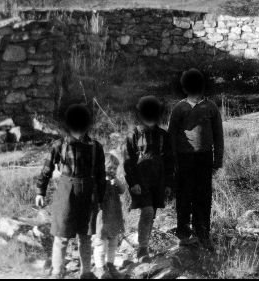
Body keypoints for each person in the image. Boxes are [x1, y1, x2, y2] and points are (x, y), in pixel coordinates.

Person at [35, 104, 106, 279]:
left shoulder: (96, 147)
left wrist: (102, 199)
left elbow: (100, 175)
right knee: (61, 235)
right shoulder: (60, 145)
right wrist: (40, 191)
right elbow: (46, 169)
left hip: (88, 194)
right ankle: (57, 272)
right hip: (66, 193)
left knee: (85, 236)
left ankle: (86, 272)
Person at [168, 68, 224, 249]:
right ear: (184, 88)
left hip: (204, 159)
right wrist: (173, 161)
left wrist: (218, 159)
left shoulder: (211, 107)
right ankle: (184, 235)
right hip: (184, 159)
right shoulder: (179, 108)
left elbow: (218, 135)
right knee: (184, 197)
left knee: (203, 197)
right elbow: (171, 137)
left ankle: (203, 234)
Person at [122, 95, 174, 262]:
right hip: (141, 179)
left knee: (151, 213)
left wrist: (168, 183)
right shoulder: (133, 134)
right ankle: (142, 249)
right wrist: (133, 182)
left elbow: (169, 161)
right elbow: (128, 161)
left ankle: (144, 244)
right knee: (147, 211)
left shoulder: (163, 135)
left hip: (158, 179)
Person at [92, 153, 126, 279]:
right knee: (101, 244)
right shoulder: (99, 182)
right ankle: (100, 268)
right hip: (102, 218)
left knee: (113, 242)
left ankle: (110, 265)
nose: (113, 171)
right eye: (110, 168)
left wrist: (116, 181)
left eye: (115, 168)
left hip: (114, 217)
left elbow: (122, 190)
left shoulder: (114, 182)